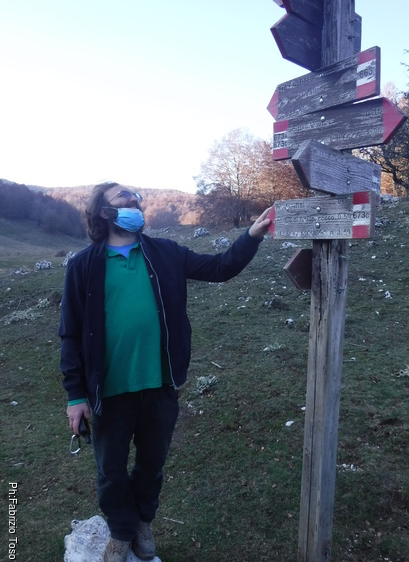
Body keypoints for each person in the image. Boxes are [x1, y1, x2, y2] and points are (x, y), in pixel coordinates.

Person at [60, 182, 272, 562]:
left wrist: (252, 235)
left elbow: (220, 267)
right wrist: (76, 395)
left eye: (135, 196)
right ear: (104, 212)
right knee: (110, 470)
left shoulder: (165, 253)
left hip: (160, 384)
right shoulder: (83, 266)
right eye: (123, 197)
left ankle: (143, 522)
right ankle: (121, 532)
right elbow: (71, 333)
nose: (133, 200)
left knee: (152, 464)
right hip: (108, 390)